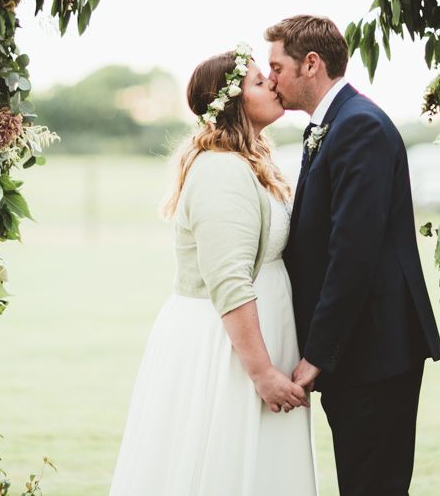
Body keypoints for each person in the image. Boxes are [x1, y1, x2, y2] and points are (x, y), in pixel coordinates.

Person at [109, 44, 317, 496]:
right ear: (233, 104)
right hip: (228, 350)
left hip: (257, 337)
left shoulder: (252, 161)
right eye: (260, 83)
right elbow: (228, 280)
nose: (274, 85)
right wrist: (261, 371)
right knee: (223, 464)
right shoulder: (222, 171)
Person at [266, 15, 440, 496]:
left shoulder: (358, 126)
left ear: (311, 63)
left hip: (375, 349)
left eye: (276, 66)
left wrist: (317, 353)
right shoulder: (334, 124)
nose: (272, 79)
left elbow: (353, 253)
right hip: (362, 348)